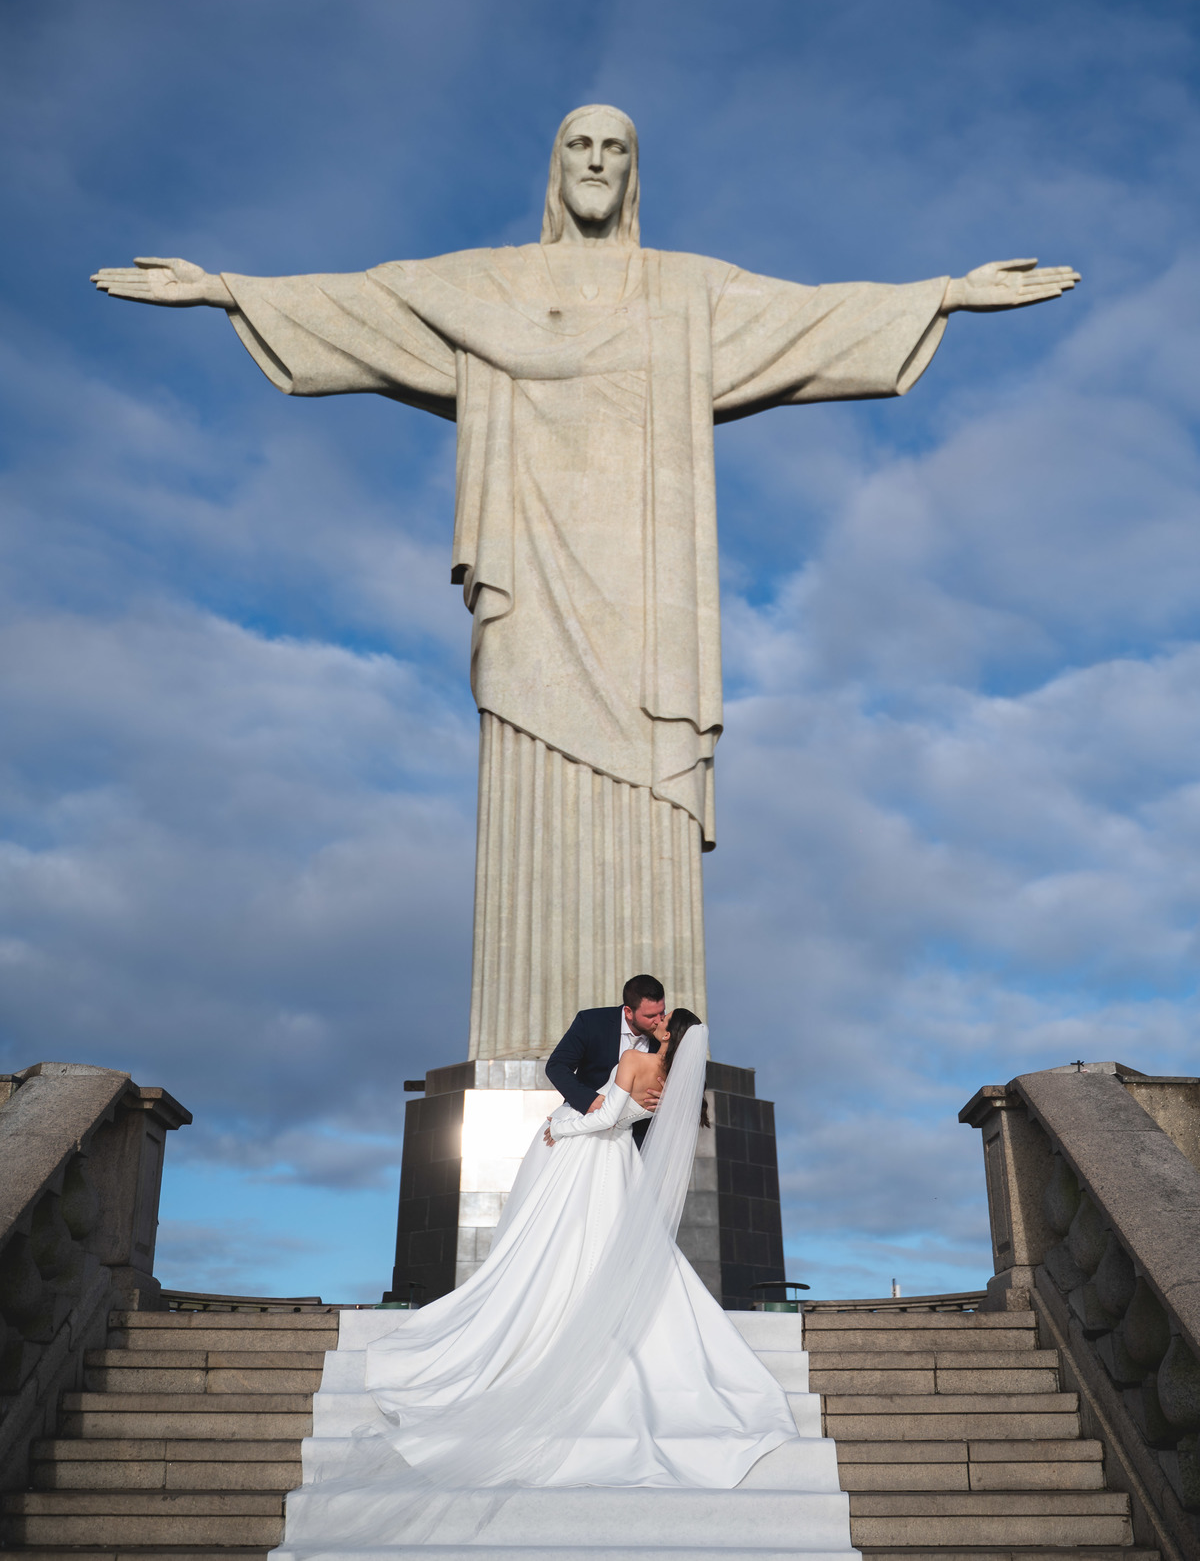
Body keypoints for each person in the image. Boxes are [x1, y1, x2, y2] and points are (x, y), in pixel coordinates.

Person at [91, 109, 1080, 1062]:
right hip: (530, 574)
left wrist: (944, 292)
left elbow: (812, 315)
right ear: (557, 169)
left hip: (650, 600)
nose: (598, 161)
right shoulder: (490, 285)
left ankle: (653, 1053)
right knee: (528, 764)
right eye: (580, 146)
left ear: (633, 172)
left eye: (616, 147)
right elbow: (370, 301)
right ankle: (532, 1043)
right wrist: (225, 289)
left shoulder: (688, 292)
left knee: (649, 792)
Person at [278, 1014, 795, 1534]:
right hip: (621, 1166)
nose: (657, 1021)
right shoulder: (672, 1079)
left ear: (668, 1034)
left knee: (562, 1242)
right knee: (604, 1247)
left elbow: (605, 1116)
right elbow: (631, 1118)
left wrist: (558, 1126)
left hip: (591, 1154)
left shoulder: (637, 1060)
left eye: (663, 1019)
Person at [545, 973, 667, 1127]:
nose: (659, 1020)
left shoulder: (667, 1033)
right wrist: (588, 1100)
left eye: (662, 1012)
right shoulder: (590, 1022)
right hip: (587, 1126)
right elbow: (557, 1066)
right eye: (650, 1016)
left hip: (640, 1136)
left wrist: (670, 1098)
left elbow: (693, 1079)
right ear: (629, 1012)